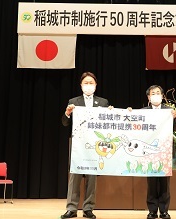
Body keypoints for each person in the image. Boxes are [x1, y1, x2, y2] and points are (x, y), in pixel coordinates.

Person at [61, 72, 110, 219]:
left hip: (95, 144)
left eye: (91, 83)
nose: (88, 85)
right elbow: (65, 123)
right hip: (78, 144)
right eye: (86, 83)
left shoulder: (103, 102)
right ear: (81, 85)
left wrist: (110, 113)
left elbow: (107, 124)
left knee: (92, 176)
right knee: (74, 176)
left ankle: (88, 208)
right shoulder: (73, 101)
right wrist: (67, 113)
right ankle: (71, 208)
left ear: (96, 86)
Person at [143, 85, 176, 219]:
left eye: (158, 93)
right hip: (149, 152)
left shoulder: (169, 110)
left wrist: (175, 117)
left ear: (162, 96)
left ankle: (164, 211)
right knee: (152, 183)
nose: (155, 95)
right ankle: (152, 211)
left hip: (164, 152)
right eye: (153, 93)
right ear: (148, 97)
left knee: (164, 184)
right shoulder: (144, 111)